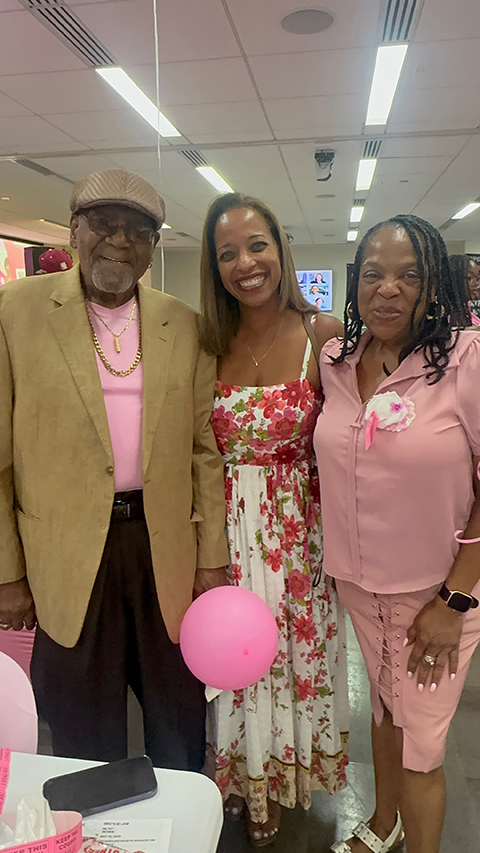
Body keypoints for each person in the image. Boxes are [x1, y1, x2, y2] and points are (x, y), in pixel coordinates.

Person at [0, 169, 229, 768]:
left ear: (154, 245)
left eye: (138, 231)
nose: (120, 241)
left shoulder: (184, 324)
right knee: (80, 716)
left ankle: (178, 809)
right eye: (104, 223)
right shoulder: (15, 312)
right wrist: (6, 572)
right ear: (74, 229)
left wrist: (212, 556)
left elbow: (203, 449)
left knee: (177, 709)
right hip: (65, 549)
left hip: (162, 544)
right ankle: (91, 816)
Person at [314, 214, 480, 853]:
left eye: (408, 275)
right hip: (359, 584)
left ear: (433, 285)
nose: (388, 288)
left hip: (436, 595)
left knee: (422, 748)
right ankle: (383, 825)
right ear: (355, 282)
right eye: (373, 274)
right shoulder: (337, 362)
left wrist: (455, 601)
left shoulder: (465, 360)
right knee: (384, 710)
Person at [200, 192, 349, 847]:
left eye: (257, 245)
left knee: (290, 660)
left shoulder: (323, 335)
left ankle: (282, 783)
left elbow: (353, 441)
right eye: (227, 253)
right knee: (234, 660)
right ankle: (240, 777)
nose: (245, 263)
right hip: (227, 533)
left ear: (281, 249)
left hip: (299, 536)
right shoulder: (208, 342)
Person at [449, 254, 480, 326]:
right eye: (469, 278)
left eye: (478, 277)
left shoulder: (465, 311)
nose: (477, 283)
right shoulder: (446, 316)